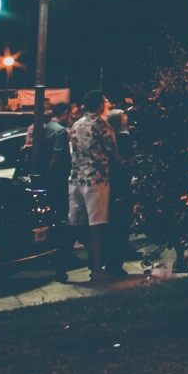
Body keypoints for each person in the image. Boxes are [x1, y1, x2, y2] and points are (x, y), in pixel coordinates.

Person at [67, 90, 123, 281]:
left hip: (75, 179)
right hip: (96, 181)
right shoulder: (102, 124)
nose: (108, 103)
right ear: (99, 104)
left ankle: (61, 266)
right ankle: (97, 270)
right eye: (106, 101)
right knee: (97, 226)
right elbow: (112, 151)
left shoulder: (76, 124)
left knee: (75, 224)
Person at [37, 102, 74, 281]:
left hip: (45, 181)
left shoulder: (45, 128)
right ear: (65, 113)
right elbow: (57, 158)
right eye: (70, 113)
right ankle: (61, 263)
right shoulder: (60, 131)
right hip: (57, 183)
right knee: (62, 221)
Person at [106, 108, 136, 267]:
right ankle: (118, 258)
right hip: (122, 183)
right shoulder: (124, 139)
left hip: (109, 183)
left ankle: (111, 257)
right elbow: (128, 161)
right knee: (122, 220)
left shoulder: (107, 139)